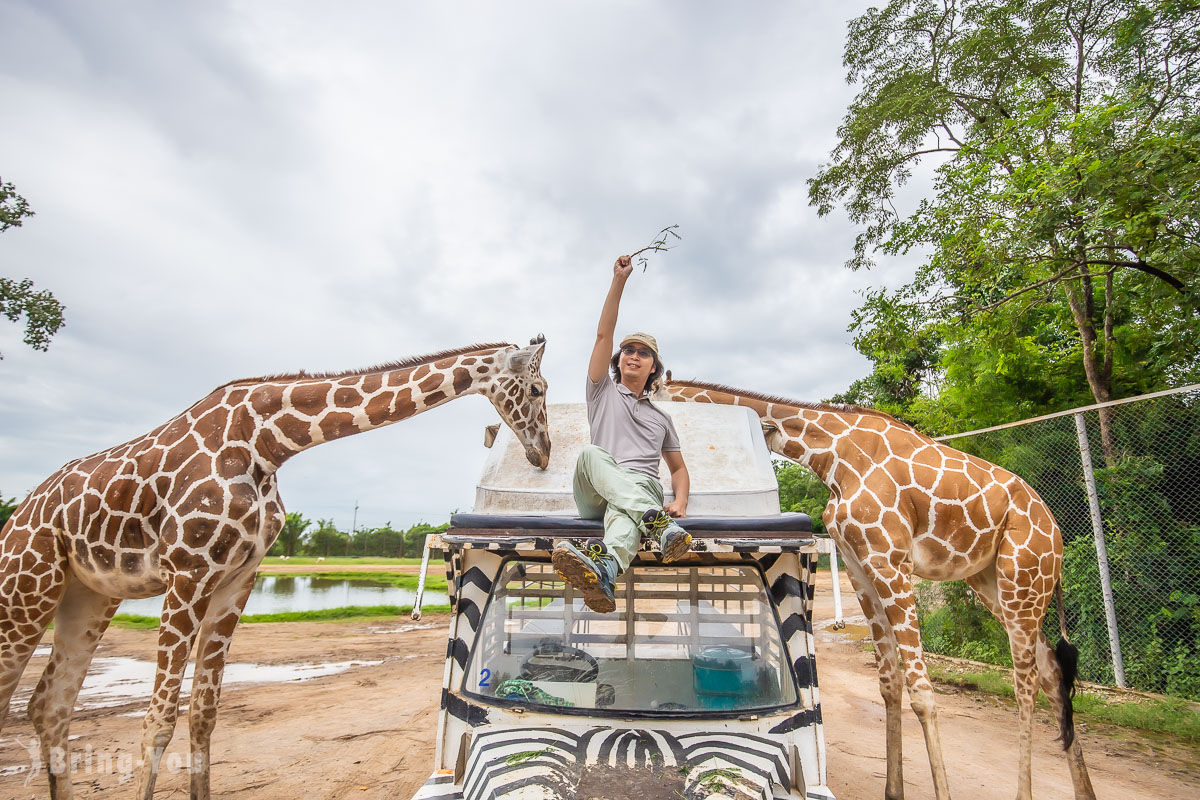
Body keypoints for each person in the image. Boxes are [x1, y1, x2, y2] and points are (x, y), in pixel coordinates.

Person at [551, 254, 692, 613]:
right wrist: (619, 281)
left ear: (653, 367)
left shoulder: (661, 419)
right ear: (617, 361)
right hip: (596, 486)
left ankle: (606, 571)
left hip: (639, 489)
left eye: (643, 353)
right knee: (590, 454)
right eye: (628, 350)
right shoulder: (602, 391)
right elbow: (603, 335)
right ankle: (657, 524)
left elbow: (677, 469)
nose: (633, 355)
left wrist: (681, 501)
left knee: (625, 517)